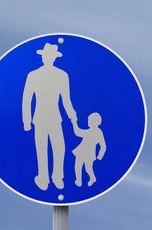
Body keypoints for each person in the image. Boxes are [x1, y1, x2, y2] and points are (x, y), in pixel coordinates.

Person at [22, 41, 77, 190]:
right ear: (43, 57)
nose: (47, 58)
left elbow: (66, 99)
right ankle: (43, 178)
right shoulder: (33, 75)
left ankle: (57, 177)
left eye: (50, 55)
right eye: (46, 55)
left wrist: (72, 115)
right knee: (42, 148)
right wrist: (26, 121)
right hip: (40, 118)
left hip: (54, 118)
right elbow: (27, 100)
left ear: (53, 58)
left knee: (59, 147)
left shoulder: (61, 75)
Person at [72, 112, 106, 187]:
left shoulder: (96, 132)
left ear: (94, 122)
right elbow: (78, 132)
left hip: (88, 153)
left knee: (86, 168)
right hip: (83, 152)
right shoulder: (94, 131)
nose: (88, 122)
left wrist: (100, 156)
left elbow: (78, 132)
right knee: (79, 166)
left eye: (89, 120)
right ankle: (79, 181)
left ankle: (91, 178)